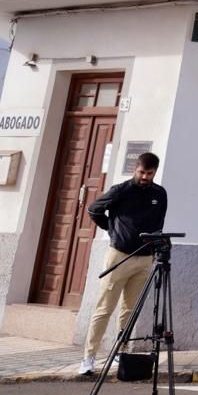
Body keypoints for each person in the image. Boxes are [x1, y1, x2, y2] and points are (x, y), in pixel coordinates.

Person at [77, 152, 168, 375]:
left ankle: (121, 350)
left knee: (129, 310)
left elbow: (159, 222)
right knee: (105, 307)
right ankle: (88, 356)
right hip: (119, 256)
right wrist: (112, 229)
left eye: (149, 173)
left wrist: (156, 249)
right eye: (141, 172)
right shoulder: (121, 190)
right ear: (135, 169)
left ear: (155, 172)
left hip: (145, 258)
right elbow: (93, 209)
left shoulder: (160, 193)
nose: (144, 176)